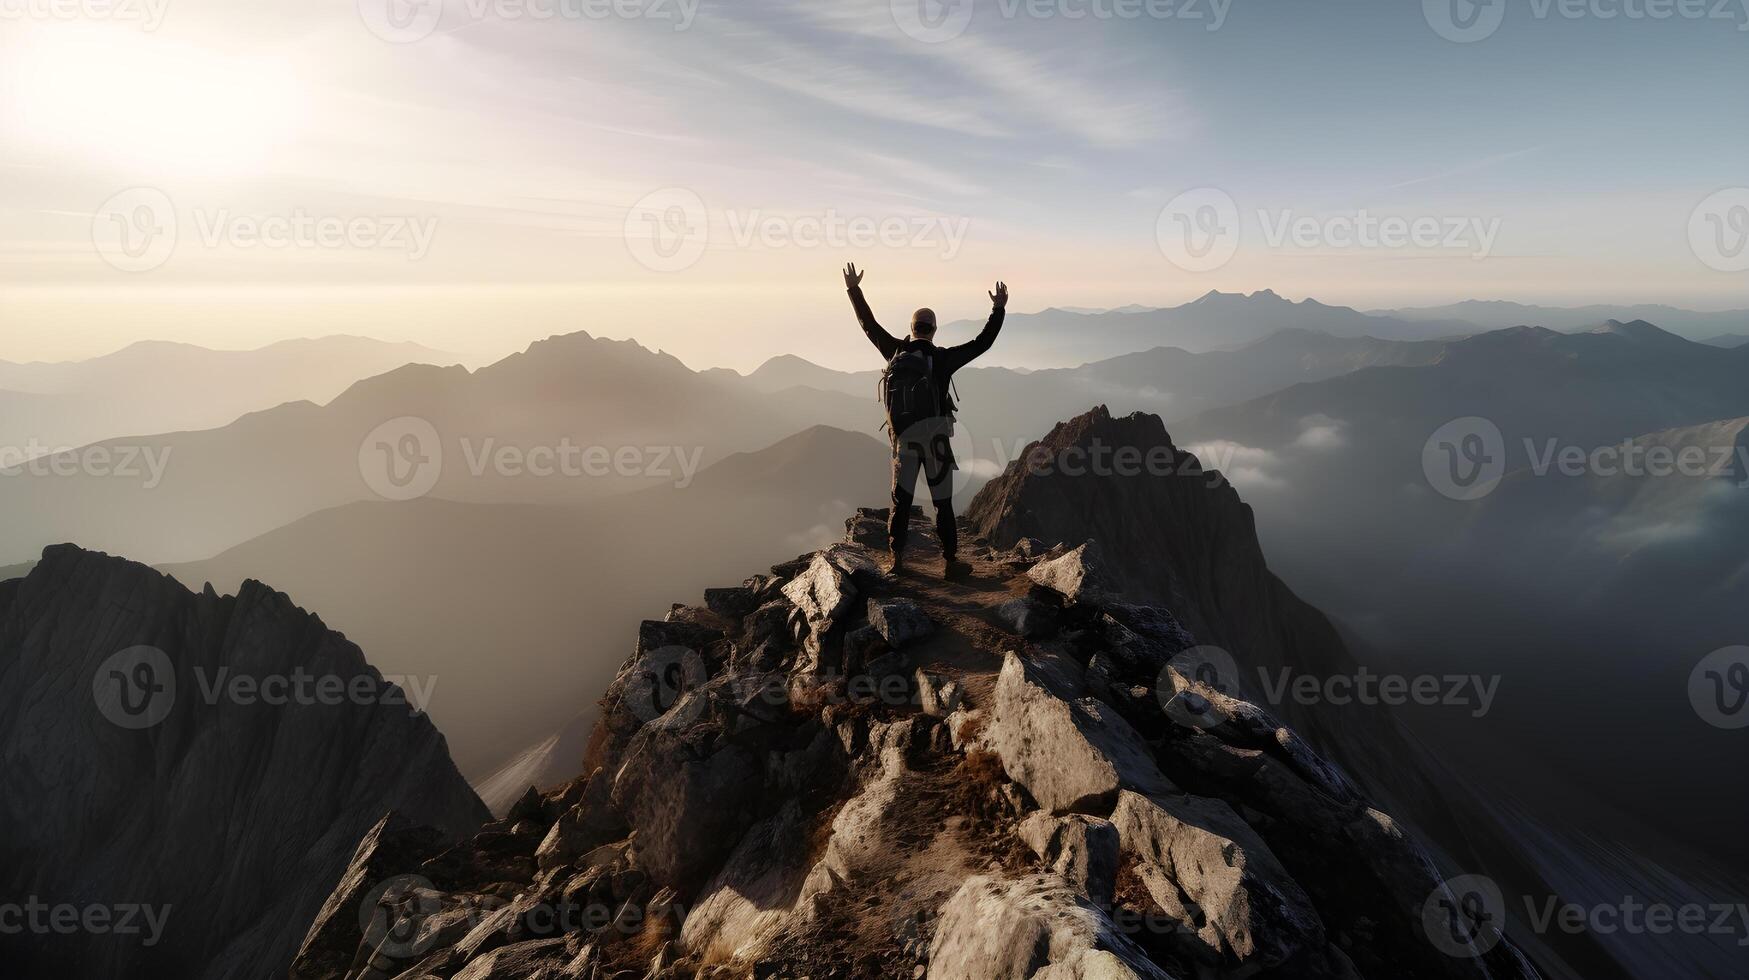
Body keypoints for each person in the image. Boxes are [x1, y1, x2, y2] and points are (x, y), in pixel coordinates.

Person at [843, 262, 1007, 577]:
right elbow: (982, 343)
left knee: (901, 502)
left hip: (904, 440)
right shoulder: (942, 359)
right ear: (933, 330)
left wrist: (854, 289)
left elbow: (868, 325)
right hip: (936, 441)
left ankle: (897, 561)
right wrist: (998, 309)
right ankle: (950, 562)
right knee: (942, 503)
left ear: (912, 327)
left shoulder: (894, 352)